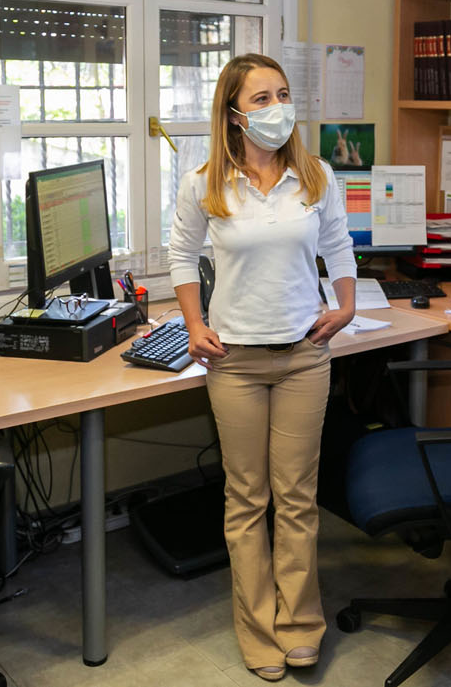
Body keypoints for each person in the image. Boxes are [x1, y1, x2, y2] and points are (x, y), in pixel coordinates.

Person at [168, 54, 356, 682]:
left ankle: (301, 625)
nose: (276, 109)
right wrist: (194, 325)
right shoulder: (204, 184)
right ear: (233, 113)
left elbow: (337, 246)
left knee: (298, 499)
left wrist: (346, 304)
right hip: (235, 363)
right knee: (247, 499)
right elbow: (180, 255)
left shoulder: (317, 175)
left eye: (282, 94)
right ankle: (258, 631)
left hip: (304, 356)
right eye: (261, 99)